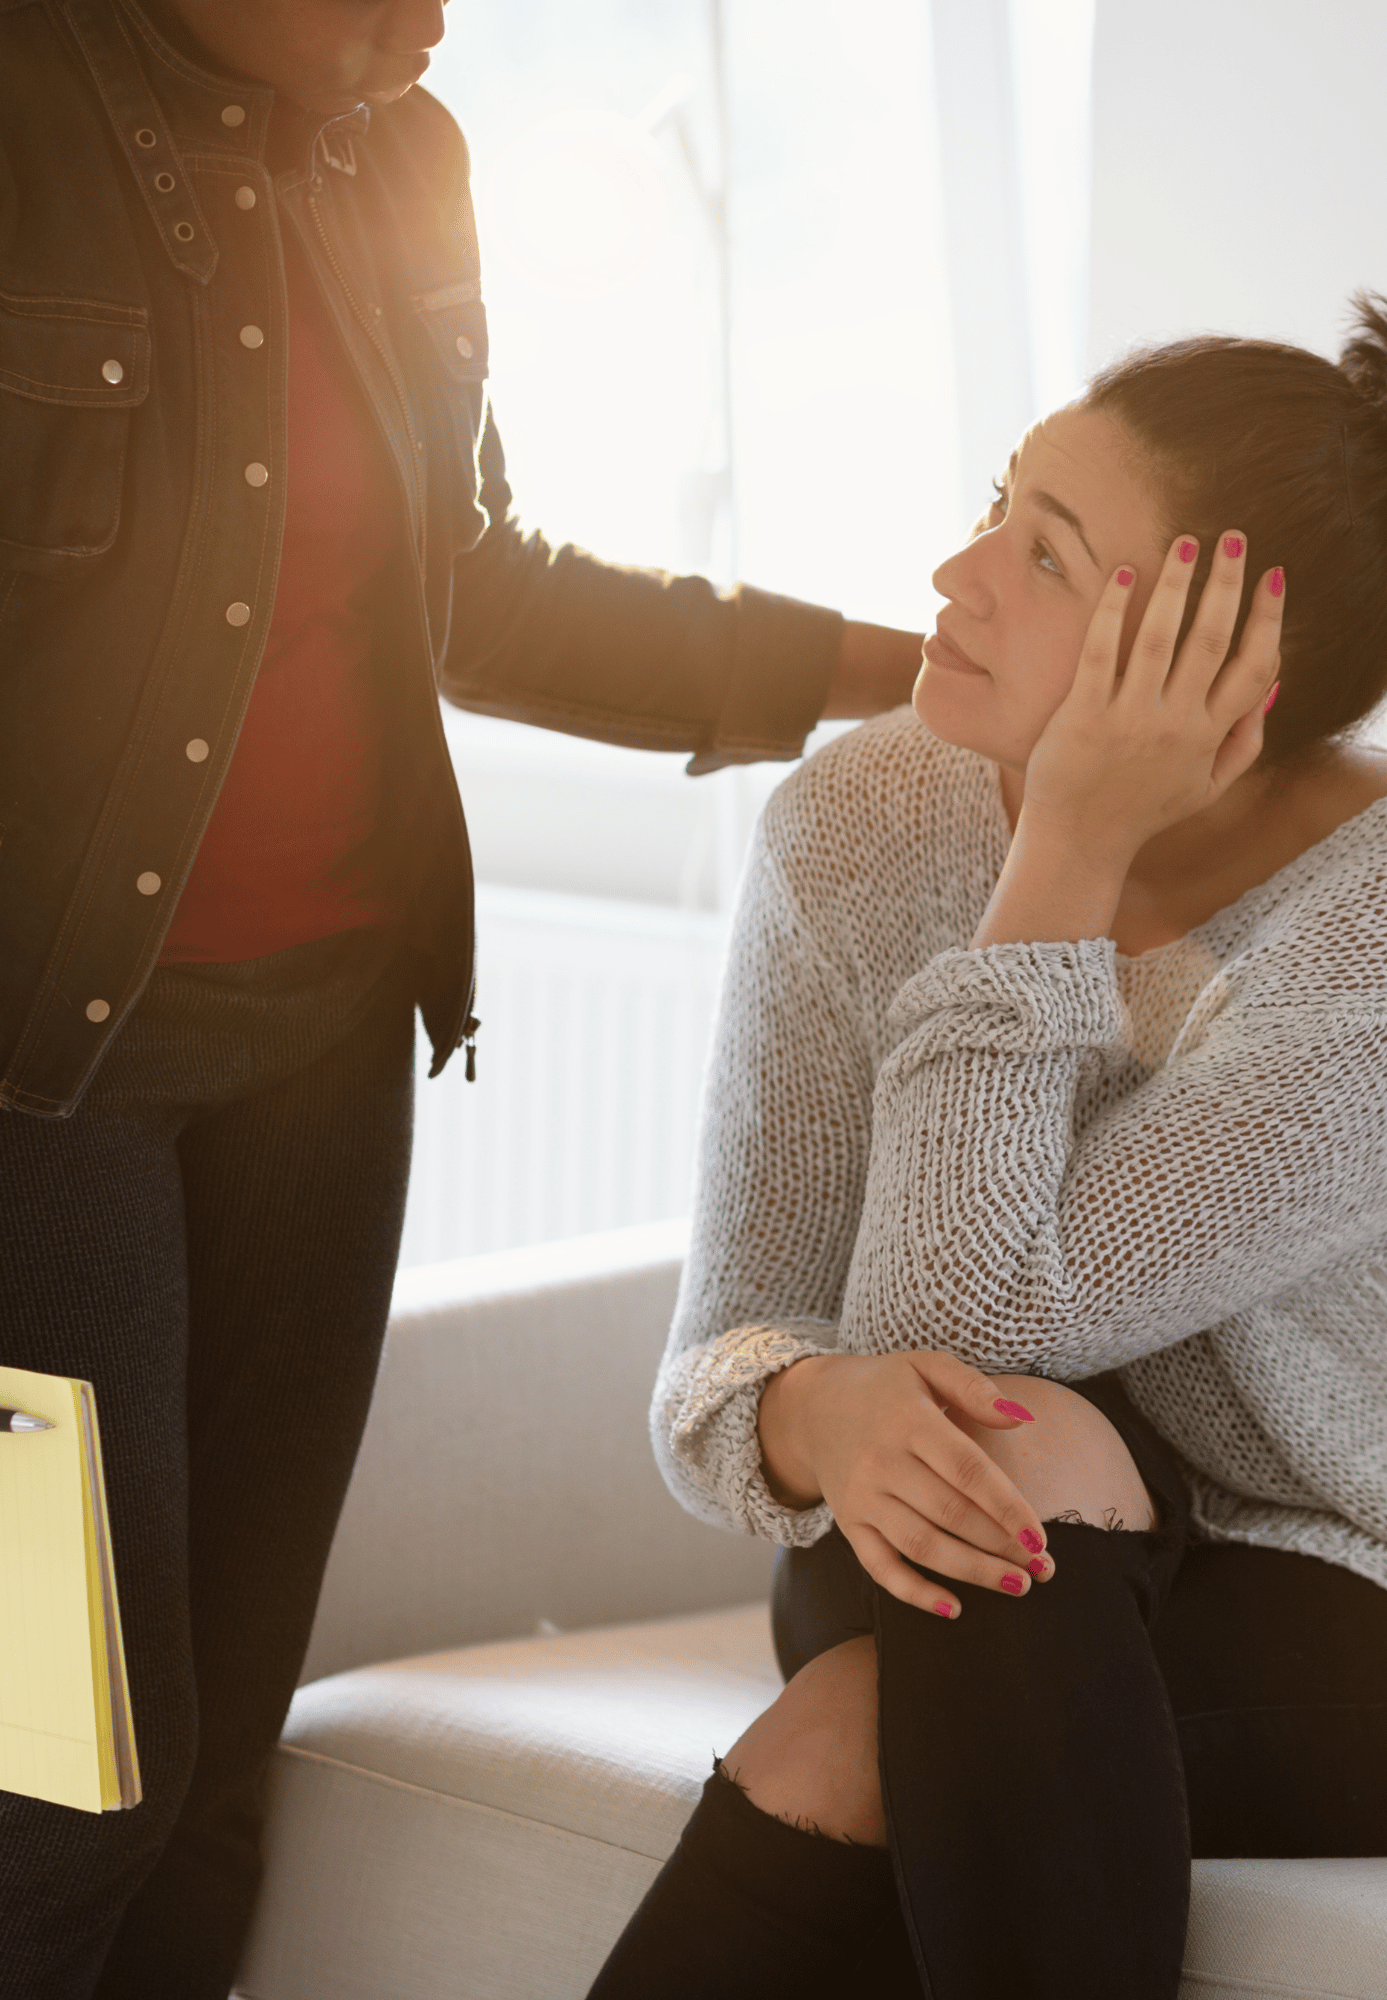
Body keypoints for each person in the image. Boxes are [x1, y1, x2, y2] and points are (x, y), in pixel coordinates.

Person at [0, 2, 922, 1994]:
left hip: (324, 1061)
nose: (435, 22)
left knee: (223, 1756)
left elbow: (467, 583)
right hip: (36, 1089)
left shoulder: (405, 147)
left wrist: (910, 670)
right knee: (45, 1777)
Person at [589, 294, 1387, 2000]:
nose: (955, 576)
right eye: (1002, 503)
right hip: (948, 1511)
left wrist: (1065, 850)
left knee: (875, 1702)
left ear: (1232, 666)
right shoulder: (862, 821)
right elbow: (730, 1342)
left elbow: (982, 1317)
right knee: (993, 1465)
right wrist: (813, 1408)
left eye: (1050, 557)